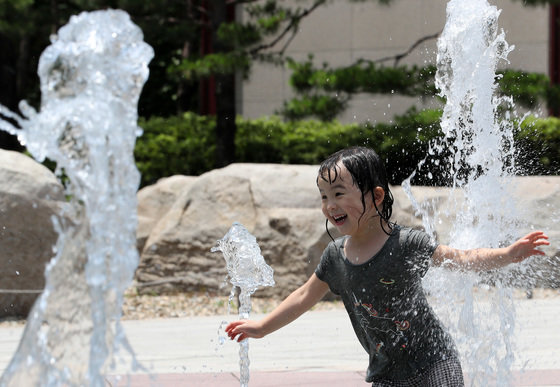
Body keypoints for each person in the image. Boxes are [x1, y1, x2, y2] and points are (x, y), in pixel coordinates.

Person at [225, 146, 549, 386]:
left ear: (377, 196)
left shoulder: (406, 244)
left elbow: (460, 259)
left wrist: (507, 254)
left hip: (434, 363)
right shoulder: (335, 256)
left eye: (339, 193)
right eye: (323, 196)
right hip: (386, 373)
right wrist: (261, 326)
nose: (330, 205)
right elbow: (302, 297)